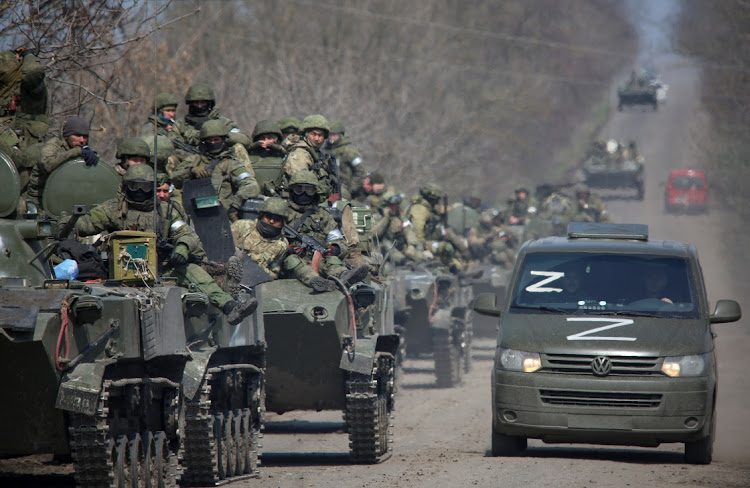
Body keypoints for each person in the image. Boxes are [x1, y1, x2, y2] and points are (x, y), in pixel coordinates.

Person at [74, 165, 256, 324]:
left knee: (193, 272)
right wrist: (68, 222)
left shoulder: (165, 212)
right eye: (134, 186)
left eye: (145, 187)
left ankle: (230, 306)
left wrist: (182, 248)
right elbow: (85, 225)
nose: (139, 191)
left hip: (160, 269)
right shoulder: (113, 209)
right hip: (117, 269)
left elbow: (186, 234)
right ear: (125, 186)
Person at [282, 170, 369, 292]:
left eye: (309, 190)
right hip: (292, 260)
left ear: (315, 192)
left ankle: (344, 275)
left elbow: (338, 239)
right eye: (299, 189)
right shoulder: (282, 212)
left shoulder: (323, 215)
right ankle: (316, 281)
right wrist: (288, 248)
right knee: (293, 261)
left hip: (319, 258)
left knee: (332, 260)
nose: (304, 193)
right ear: (291, 190)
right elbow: (272, 239)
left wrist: (336, 248)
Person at [170, 119, 259, 220]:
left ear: (223, 140)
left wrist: (235, 205)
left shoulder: (230, 164)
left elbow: (251, 185)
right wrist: (190, 171)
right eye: (209, 140)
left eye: (216, 140)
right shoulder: (193, 159)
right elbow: (174, 179)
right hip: (193, 216)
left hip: (221, 216)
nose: (213, 143)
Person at [26, 116, 99, 210]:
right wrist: (76, 152)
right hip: (39, 202)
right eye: (77, 135)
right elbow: (47, 164)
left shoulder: (84, 151)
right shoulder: (53, 145)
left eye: (85, 137)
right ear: (66, 136)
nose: (82, 140)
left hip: (67, 201)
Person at [174, 83, 250, 150]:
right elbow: (172, 143)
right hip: (190, 161)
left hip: (220, 161)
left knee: (238, 148)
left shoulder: (223, 122)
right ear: (190, 104)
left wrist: (220, 135)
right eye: (196, 103)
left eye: (203, 102)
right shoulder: (181, 124)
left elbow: (245, 140)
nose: (199, 106)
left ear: (209, 103)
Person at [230, 197, 289, 280]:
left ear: (282, 223)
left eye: (277, 219)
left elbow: (274, 273)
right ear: (261, 216)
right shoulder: (241, 226)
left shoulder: (282, 244)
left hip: (253, 282)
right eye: (268, 217)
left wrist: (257, 268)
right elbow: (223, 249)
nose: (271, 221)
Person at [280, 114, 333, 195]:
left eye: (320, 135)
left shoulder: (317, 153)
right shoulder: (299, 153)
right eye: (313, 134)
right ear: (306, 134)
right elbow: (301, 183)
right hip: (300, 198)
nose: (317, 139)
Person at [323, 121, 367, 199]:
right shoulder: (325, 151)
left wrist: (350, 188)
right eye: (330, 135)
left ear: (341, 135)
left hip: (344, 190)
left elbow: (361, 171)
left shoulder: (349, 151)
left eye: (334, 135)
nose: (331, 137)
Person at [247, 119, 287, 196]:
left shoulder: (283, 156)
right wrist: (252, 147)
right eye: (262, 138)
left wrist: (277, 148)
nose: (266, 141)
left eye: (270, 138)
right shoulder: (250, 156)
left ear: (276, 139)